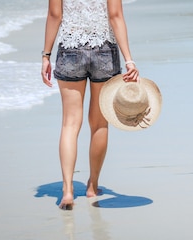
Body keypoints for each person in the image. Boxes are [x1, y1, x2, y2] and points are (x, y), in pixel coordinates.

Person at [40, 0, 139, 210]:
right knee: (100, 124)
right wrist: (129, 60)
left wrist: (46, 55)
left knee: (69, 124)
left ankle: (67, 191)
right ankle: (92, 186)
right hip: (104, 50)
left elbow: (54, 15)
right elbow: (115, 16)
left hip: (70, 50)